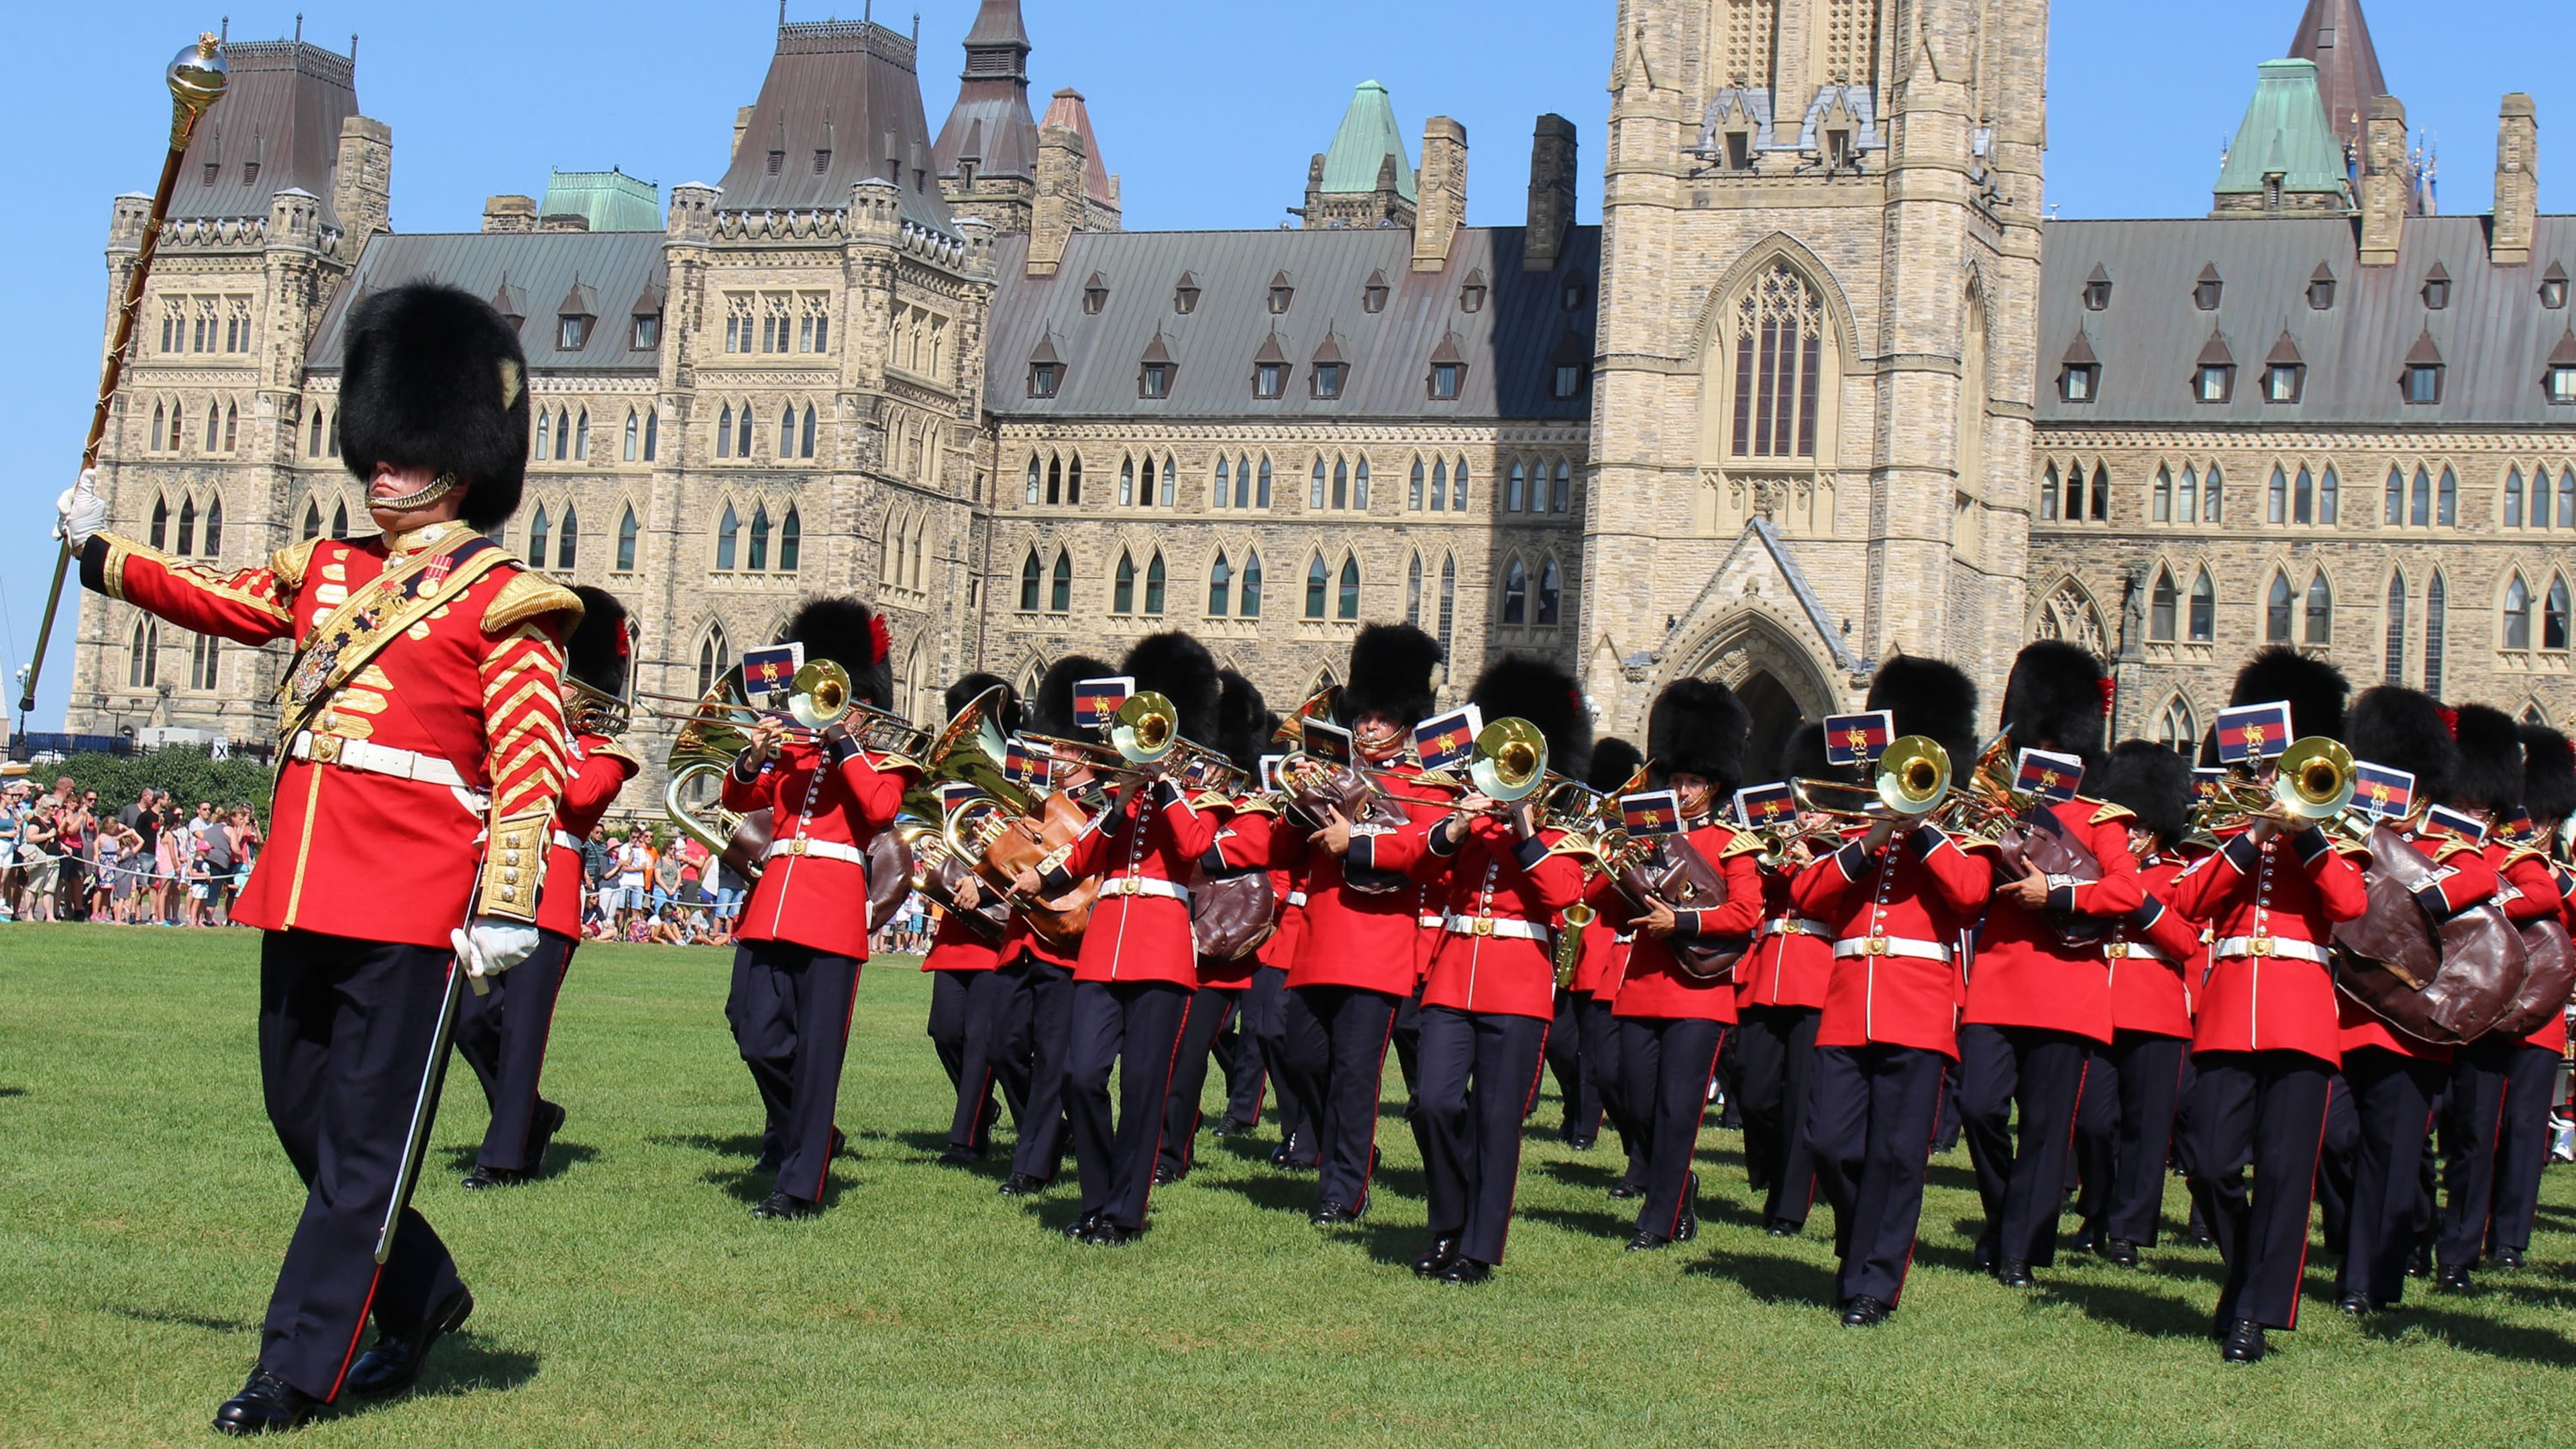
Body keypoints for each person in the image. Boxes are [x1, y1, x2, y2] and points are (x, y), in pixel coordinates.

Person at [58, 280, 575, 1431]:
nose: (383, 471)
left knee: (362, 1150)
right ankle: (426, 1293)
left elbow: (529, 766)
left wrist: (506, 905)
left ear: (462, 458)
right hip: (303, 881)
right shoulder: (328, 574)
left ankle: (298, 1369)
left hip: (414, 898)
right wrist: (100, 549)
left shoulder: (507, 601)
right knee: (304, 1118)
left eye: (406, 452)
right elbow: (216, 595)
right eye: (377, 450)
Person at [2171, 648, 2369, 1363]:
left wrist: (2308, 833)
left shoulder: (2337, 835)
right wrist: (2255, 834)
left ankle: (2254, 1314)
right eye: (2264, 770)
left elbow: (2350, 904)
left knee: (2288, 1175)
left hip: (2300, 1014)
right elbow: (2189, 902)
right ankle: (2248, 1275)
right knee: (2211, 1161)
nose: (2271, 781)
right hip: (2229, 1012)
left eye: (2282, 770)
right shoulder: (2232, 830)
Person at [1794, 656, 1992, 1326]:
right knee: (1830, 1144)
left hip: (1918, 1010)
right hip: (1849, 1003)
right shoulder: (1860, 836)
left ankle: (1875, 1286)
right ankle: (1860, 1245)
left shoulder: (1959, 840)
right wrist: (1875, 835)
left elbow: (1969, 896)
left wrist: (1924, 828)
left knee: (1898, 1157)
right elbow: (1809, 896)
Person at [1383, 655, 1591, 1283]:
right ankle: (1448, 1222)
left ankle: (1475, 1247)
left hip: (1519, 986)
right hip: (1454, 976)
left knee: (1498, 1121)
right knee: (1435, 1104)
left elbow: (1562, 896)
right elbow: (1423, 868)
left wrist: (1524, 824)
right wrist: (1457, 824)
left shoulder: (1564, 835)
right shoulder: (1469, 824)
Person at [1014, 633, 1225, 1245]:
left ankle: (1125, 1212)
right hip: (1105, 944)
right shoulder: (1118, 795)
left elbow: (1194, 848)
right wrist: (1043, 874)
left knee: (1141, 1089)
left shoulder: (1198, 790)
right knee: (1082, 1073)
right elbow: (1086, 852)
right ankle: (1098, 1193)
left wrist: (1164, 786)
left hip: (1160, 946)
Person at [1955, 642, 2143, 1287]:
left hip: (2066, 988)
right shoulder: (2001, 808)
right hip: (2000, 981)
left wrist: (2058, 893)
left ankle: (2020, 1249)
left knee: (2044, 1125)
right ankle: (2010, 1214)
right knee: (1979, 1106)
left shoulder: (2102, 817)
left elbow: (2126, 892)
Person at [721, 595, 909, 1220]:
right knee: (754, 1033)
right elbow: (742, 794)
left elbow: (880, 809)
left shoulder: (883, 756)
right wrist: (753, 755)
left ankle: (801, 1184)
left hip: (831, 908)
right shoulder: (794, 750)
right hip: (774, 901)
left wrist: (843, 743)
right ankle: (812, 1134)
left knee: (819, 1052)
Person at [453, 586, 638, 1190]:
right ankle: (530, 1115)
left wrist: (549, 730)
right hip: (496, 882)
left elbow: (581, 798)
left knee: (525, 1032)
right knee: (470, 1020)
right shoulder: (525, 735)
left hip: (549, 898)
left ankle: (503, 1157)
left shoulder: (605, 753)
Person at [1287, 623, 1452, 1223]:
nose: (1367, 727)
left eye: (1381, 719)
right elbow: (1285, 851)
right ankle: (1351, 1153)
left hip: (1377, 946)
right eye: (1363, 718)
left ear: (1405, 724)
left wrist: (1354, 839)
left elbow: (1419, 851)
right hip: (1319, 942)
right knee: (1303, 1058)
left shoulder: (1421, 786)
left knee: (1357, 1075)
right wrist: (1294, 806)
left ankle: (1343, 1189)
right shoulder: (1331, 774)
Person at [1611, 680, 1763, 1250]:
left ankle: (1660, 1215)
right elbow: (1611, 902)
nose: (1680, 789)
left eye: (1691, 781)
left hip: (1698, 994)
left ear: (1712, 785)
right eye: (1674, 779)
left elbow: (1746, 913)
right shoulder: (1644, 837)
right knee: (1633, 1099)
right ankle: (1678, 1184)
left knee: (1679, 1110)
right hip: (1643, 984)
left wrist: (1686, 924)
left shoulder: (1732, 843)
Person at [2434, 706, 2566, 1289]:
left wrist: (2479, 910)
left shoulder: (2527, 861)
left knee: (2522, 1132)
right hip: (2477, 1014)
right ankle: (2456, 1251)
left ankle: (2508, 1240)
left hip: (2536, 1017)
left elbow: (2542, 900)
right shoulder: (2462, 856)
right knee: (2472, 1134)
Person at [2071, 741, 2206, 1265]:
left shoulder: (2178, 874)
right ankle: (2097, 1209)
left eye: (2141, 828)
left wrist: (2138, 899)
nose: (2131, 836)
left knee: (2147, 1129)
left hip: (2156, 1011)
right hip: (2099, 1005)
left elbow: (2187, 941)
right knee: (2092, 1122)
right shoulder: (2100, 869)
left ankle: (2129, 1229)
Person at [996, 656, 1112, 1199]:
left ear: (1084, 749)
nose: (1054, 753)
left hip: (1071, 938)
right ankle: (1048, 1135)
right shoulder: (1033, 791)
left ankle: (1032, 1163)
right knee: (1004, 1046)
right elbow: (1007, 847)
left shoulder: (1106, 803)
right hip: (1022, 935)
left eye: (1063, 747)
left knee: (1052, 1058)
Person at [1157, 669, 1278, 1183]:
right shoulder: (1176, 796)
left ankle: (1170, 1153)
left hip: (1215, 944)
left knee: (1186, 1054)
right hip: (1163, 935)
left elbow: (1222, 852)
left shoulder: (1249, 809)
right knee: (1160, 1053)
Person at [1736, 724, 1837, 1236]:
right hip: (1768, 970)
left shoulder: (1850, 845)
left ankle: (1790, 1205)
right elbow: (1753, 894)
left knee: (1801, 1095)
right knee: (1754, 1091)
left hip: (1818, 973)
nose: (1807, 811)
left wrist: (1813, 858)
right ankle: (1772, 1173)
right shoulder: (1782, 835)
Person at [921, 673, 1026, 1165]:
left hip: (1001, 916)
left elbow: (1024, 845)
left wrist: (984, 883)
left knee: (985, 1037)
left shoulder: (1021, 775)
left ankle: (967, 1138)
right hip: (958, 921)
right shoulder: (958, 776)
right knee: (945, 1030)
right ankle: (998, 1114)